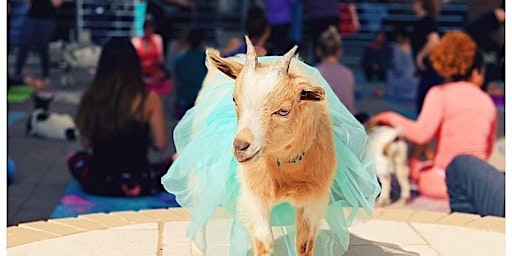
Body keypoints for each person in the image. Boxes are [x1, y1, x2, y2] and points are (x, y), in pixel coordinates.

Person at [370, 31, 497, 199]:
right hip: (477, 182)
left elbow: (421, 134)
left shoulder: (439, 93)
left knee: (415, 168)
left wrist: (388, 116)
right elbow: (487, 149)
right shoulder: (487, 101)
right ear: (475, 72)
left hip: (443, 179)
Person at [69, 38, 171, 197]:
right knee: (175, 164)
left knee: (76, 159)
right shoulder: (148, 99)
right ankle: (128, 185)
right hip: (137, 179)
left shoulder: (92, 95)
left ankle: (116, 183)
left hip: (101, 180)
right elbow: (160, 144)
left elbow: (85, 143)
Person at [13, 0, 64, 85]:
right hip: (31, 17)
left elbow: (57, 3)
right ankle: (17, 73)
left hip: (47, 19)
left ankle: (45, 75)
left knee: (43, 48)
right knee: (24, 46)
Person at [410, 0, 443, 114]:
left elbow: (434, 40)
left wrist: (421, 56)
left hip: (432, 68)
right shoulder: (422, 22)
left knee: (426, 102)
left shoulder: (427, 21)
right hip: (426, 69)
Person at [315, 26, 356, 114]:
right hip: (347, 121)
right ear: (339, 51)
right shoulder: (348, 73)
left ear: (318, 51)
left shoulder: (314, 73)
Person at [131, 17, 173, 95]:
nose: (149, 31)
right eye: (147, 29)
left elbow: (161, 59)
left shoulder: (157, 39)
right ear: (144, 29)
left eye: (151, 29)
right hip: (141, 75)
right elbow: (134, 63)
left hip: (155, 74)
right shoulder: (135, 42)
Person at [174, 28, 208, 119]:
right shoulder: (208, 59)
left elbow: (176, 83)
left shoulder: (179, 60)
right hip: (202, 103)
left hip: (184, 103)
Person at [386, 29, 419, 101]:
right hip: (412, 75)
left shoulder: (398, 48)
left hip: (407, 76)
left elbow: (398, 66)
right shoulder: (413, 47)